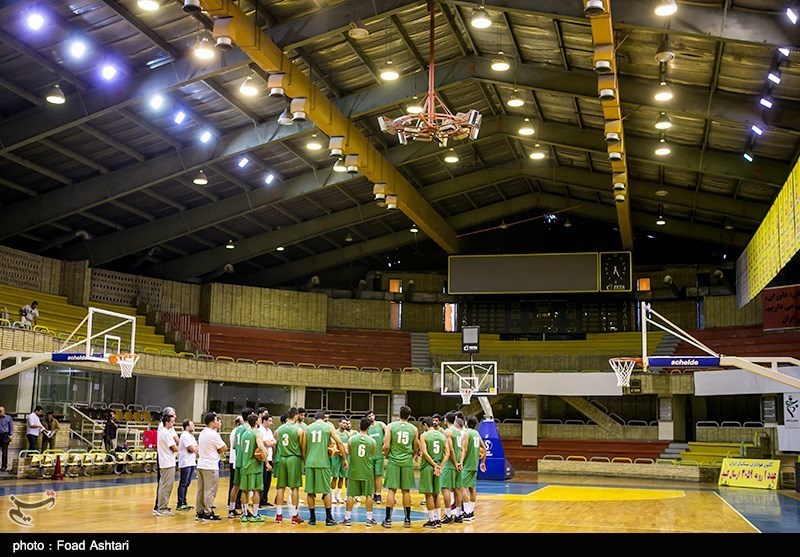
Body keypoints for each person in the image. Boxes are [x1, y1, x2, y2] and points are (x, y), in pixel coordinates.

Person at [304, 410, 346, 526]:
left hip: (310, 462)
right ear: (324, 419)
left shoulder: (308, 428)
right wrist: (345, 459)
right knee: (326, 491)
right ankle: (329, 518)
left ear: (314, 419)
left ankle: (312, 518)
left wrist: (305, 459)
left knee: (310, 492)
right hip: (323, 462)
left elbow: (304, 446)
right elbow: (340, 443)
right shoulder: (329, 428)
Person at [381, 405, 419, 529]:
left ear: (398, 414)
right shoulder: (414, 429)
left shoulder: (391, 426)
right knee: (406, 491)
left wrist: (387, 456)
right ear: (409, 416)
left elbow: (386, 446)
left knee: (392, 490)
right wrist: (411, 456)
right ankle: (407, 520)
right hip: (407, 461)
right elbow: (415, 447)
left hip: (394, 460)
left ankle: (387, 519)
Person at [339, 416, 377, 527]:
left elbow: (349, 452)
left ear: (359, 426)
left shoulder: (351, 439)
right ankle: (369, 519)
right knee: (369, 495)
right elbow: (372, 454)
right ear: (369, 428)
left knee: (350, 495)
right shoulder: (372, 441)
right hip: (367, 471)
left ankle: (347, 518)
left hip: (354, 470)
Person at [274, 407, 305, 524]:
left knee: (281, 487)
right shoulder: (299, 430)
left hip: (282, 458)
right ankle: (294, 515)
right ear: (296, 416)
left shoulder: (279, 430)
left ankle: (278, 515)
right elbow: (302, 447)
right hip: (293, 458)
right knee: (294, 487)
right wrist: (304, 459)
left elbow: (275, 443)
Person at [195, 412, 226, 521]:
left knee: (201, 490)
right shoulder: (213, 434)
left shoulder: (203, 432)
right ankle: (208, 512)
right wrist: (218, 450)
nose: (218, 422)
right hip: (210, 465)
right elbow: (224, 447)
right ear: (212, 422)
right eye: (217, 420)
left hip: (201, 464)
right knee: (210, 490)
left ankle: (199, 511)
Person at [419, 416, 448, 528]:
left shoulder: (424, 435)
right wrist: (440, 466)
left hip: (428, 467)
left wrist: (434, 465)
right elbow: (447, 453)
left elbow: (425, 453)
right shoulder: (442, 435)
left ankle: (431, 520)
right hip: (438, 468)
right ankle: (438, 519)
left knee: (428, 494)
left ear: (425, 425)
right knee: (437, 494)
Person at [238, 412, 268, 523]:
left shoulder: (244, 433)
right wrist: (266, 459)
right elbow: (260, 447)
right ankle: (255, 515)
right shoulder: (258, 433)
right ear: (256, 422)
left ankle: (244, 514)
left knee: (244, 491)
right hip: (255, 466)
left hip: (245, 465)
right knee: (256, 491)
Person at [440, 411, 466, 524]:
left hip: (450, 464)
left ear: (446, 420)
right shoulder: (459, 432)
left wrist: (455, 463)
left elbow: (450, 450)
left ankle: (448, 514)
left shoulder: (448, 432)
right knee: (457, 489)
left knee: (445, 488)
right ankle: (459, 514)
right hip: (458, 463)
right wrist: (460, 463)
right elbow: (462, 449)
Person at [460, 415, 487, 522]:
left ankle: (466, 512)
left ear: (466, 422)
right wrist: (483, 462)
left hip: (467, 465)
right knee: (472, 488)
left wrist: (460, 462)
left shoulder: (467, 433)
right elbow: (484, 448)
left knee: (462, 487)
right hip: (475, 464)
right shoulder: (476, 433)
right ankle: (471, 511)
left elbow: (464, 449)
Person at [228, 408, 252, 518]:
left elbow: (233, 445)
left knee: (235, 486)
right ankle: (245, 511)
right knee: (245, 488)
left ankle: (232, 509)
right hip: (245, 461)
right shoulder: (248, 429)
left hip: (237, 459)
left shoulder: (237, 429)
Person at [154, 409, 178, 517]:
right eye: (172, 421)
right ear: (167, 422)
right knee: (165, 485)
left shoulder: (164, 432)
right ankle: (161, 507)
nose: (174, 423)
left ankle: (163, 506)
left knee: (166, 485)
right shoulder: (165, 432)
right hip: (167, 462)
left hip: (166, 461)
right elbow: (174, 447)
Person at [366, 409, 387, 505]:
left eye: (372, 415)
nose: (371, 417)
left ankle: (378, 494)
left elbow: (388, 433)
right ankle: (371, 493)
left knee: (378, 475)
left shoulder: (381, 425)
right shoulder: (366, 427)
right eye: (369, 416)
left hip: (379, 454)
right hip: (369, 455)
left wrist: (386, 444)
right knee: (370, 476)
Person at [177, 419, 198, 511]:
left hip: (191, 462)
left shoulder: (191, 436)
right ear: (187, 426)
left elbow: (196, 447)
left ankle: (184, 501)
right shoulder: (185, 435)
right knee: (183, 483)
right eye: (192, 425)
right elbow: (191, 449)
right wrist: (194, 448)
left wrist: (195, 448)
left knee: (187, 483)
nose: (193, 427)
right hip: (185, 462)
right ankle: (180, 502)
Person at [258, 411, 276, 507]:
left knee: (268, 480)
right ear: (264, 421)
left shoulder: (269, 431)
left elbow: (273, 442)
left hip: (269, 457)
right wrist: (272, 442)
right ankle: (259, 499)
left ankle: (264, 499)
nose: (271, 423)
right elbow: (267, 443)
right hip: (262, 458)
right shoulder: (260, 430)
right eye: (269, 421)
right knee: (262, 479)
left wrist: (272, 442)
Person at [227, 415, 244, 516]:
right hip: (237, 460)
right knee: (236, 484)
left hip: (236, 460)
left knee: (236, 484)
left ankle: (234, 504)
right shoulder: (239, 431)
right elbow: (234, 446)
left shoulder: (236, 431)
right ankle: (235, 504)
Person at [0, 406, 13, 471]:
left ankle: (4, 465)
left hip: (5, 435)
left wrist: (10, 435)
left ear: (3, 411)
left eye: (0, 411)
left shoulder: (8, 418)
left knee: (4, 451)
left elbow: (11, 427)